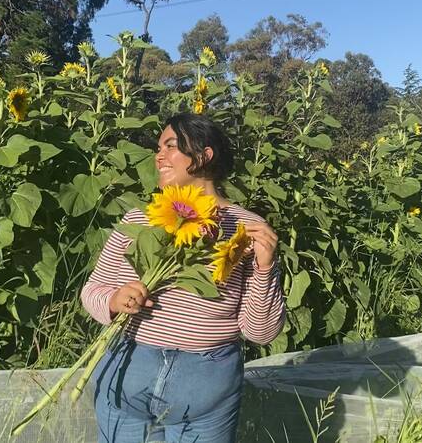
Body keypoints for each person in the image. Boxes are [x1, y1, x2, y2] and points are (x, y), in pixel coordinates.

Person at [80, 113, 286, 443]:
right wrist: (114, 300)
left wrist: (265, 269)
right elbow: (91, 290)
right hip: (129, 366)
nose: (158, 155)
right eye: (158, 147)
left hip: (204, 380)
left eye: (171, 146)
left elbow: (261, 333)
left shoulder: (248, 230)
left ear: (204, 156)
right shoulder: (139, 220)